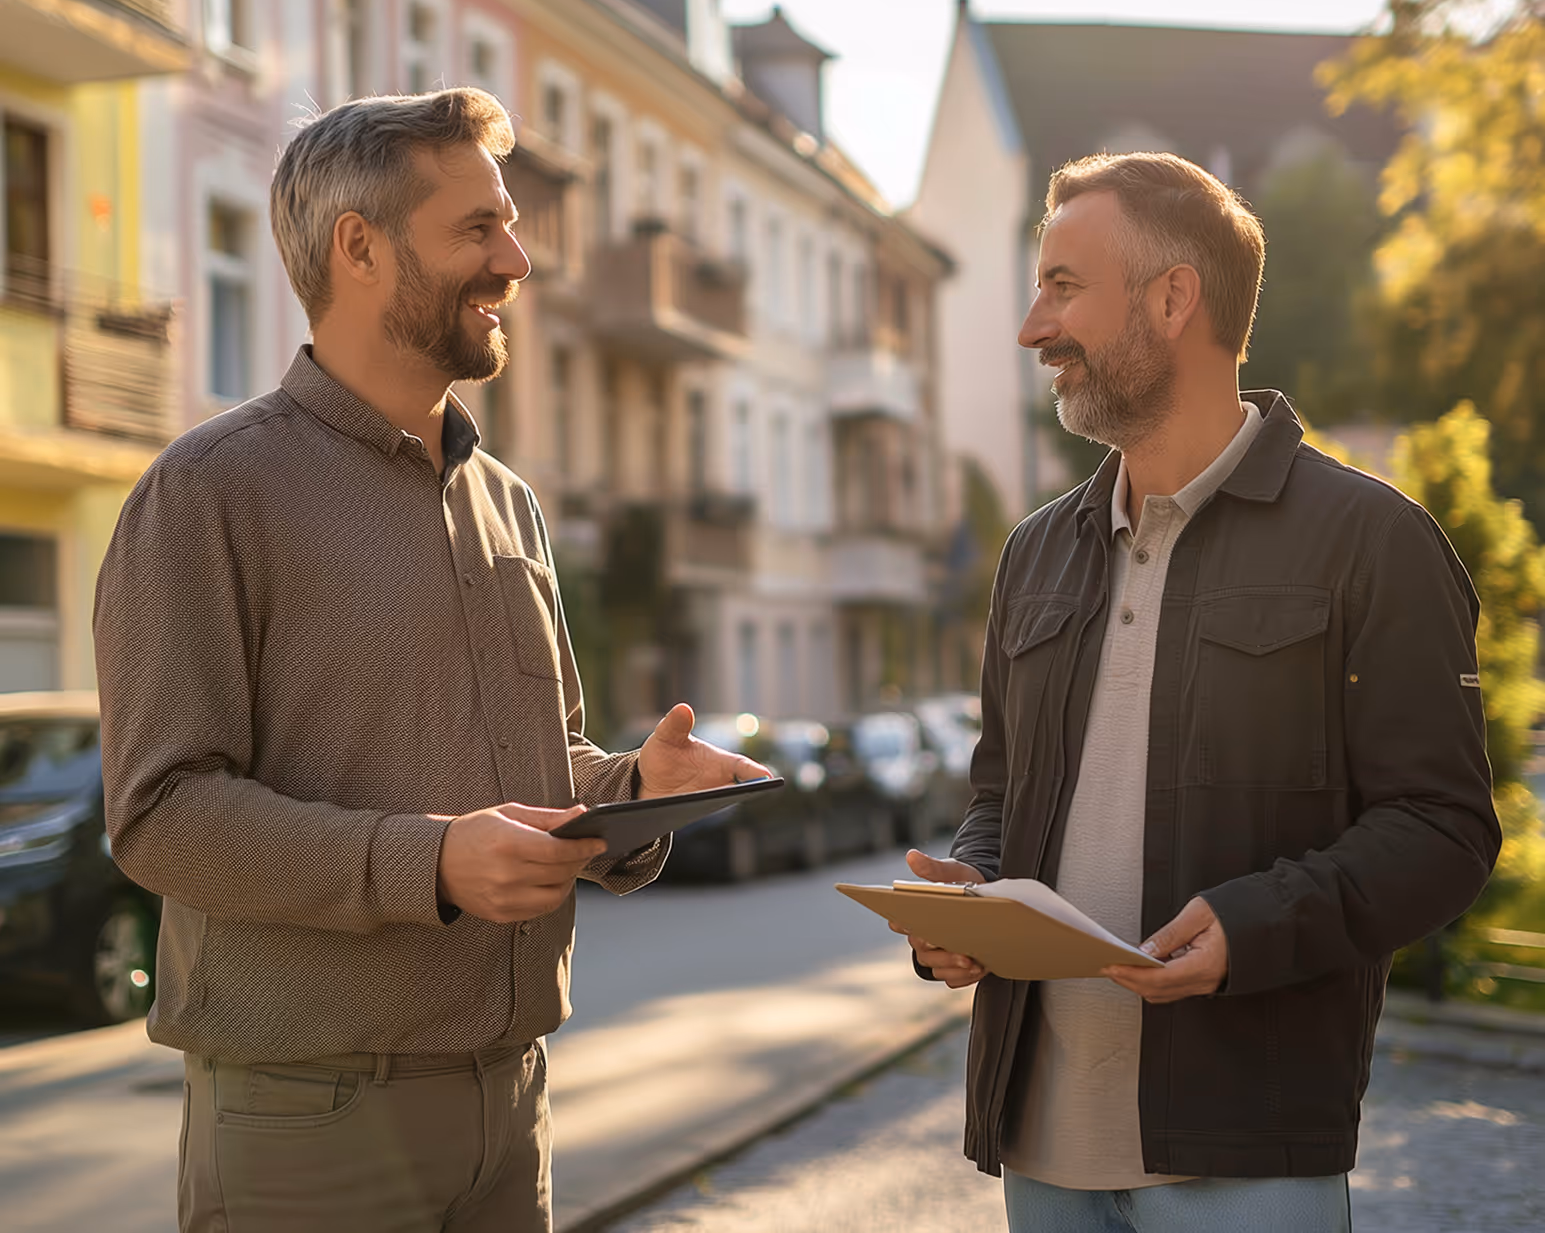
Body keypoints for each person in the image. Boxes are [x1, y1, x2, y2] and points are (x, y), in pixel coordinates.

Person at [94, 89, 768, 1233]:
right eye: (477, 230)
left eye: (509, 225)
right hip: (313, 1130)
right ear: (357, 247)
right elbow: (160, 814)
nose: (515, 260)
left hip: (514, 1109)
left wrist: (634, 795)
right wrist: (432, 865)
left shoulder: (508, 502)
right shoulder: (207, 495)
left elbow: (531, 767)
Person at [895, 152, 1501, 1232]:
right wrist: (970, 899)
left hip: (1248, 1151)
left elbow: (1444, 831)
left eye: (1064, 287)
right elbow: (999, 795)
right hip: (1042, 1143)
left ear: (1175, 299)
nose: (1035, 327)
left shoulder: (1374, 543)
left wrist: (1256, 925)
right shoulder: (1035, 553)